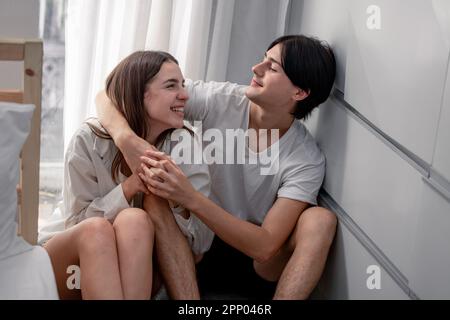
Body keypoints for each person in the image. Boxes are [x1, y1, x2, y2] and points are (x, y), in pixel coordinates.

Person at [96, 35, 338, 299]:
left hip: (259, 264)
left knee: (320, 219)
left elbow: (265, 246)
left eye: (273, 67)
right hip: (196, 248)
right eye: (263, 59)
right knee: (155, 197)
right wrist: (126, 139)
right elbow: (107, 96)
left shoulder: (305, 158)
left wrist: (189, 196)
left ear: (299, 93)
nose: (256, 69)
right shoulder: (222, 100)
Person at [41, 51, 213, 299]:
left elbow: (200, 246)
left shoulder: (184, 145)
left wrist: (179, 197)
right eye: (171, 85)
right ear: (138, 93)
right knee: (97, 230)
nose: (185, 95)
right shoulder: (89, 139)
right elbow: (75, 223)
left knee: (136, 220)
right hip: (69, 265)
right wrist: (130, 187)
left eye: (183, 85)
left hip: (134, 277)